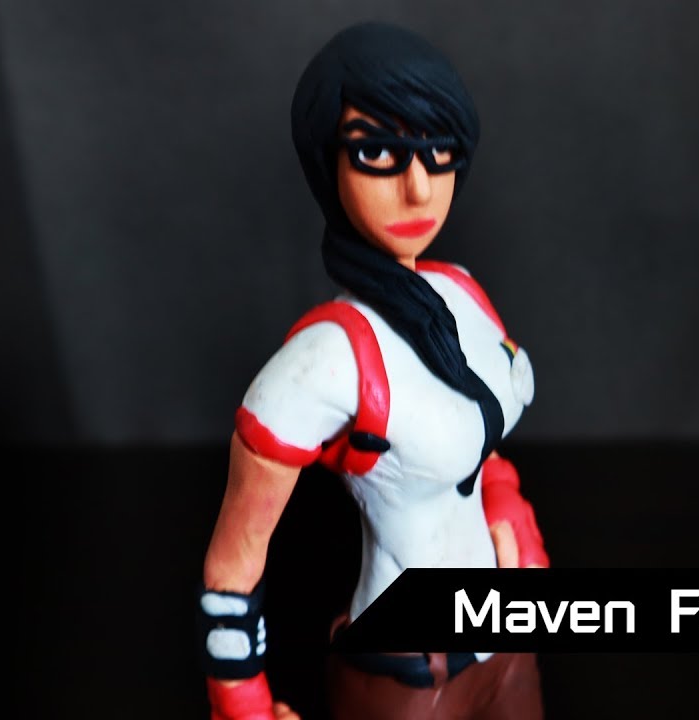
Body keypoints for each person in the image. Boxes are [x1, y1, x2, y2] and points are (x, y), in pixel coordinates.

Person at [198, 22, 549, 720]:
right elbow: (233, 563)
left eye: (438, 152)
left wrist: (510, 512)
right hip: (407, 673)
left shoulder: (462, 292)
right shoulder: (327, 359)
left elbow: (478, 450)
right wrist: (242, 703)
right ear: (328, 161)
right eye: (379, 153)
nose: (419, 188)